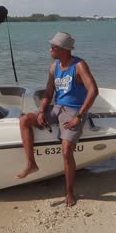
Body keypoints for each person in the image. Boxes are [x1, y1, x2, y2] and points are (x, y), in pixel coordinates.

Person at [17, 32, 99, 207]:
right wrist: (41, 111)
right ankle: (31, 164)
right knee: (24, 120)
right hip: (56, 108)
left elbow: (93, 91)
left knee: (66, 150)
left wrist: (79, 116)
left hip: (74, 111)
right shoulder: (54, 67)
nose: (50, 50)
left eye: (53, 47)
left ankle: (69, 191)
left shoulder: (79, 65)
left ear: (64, 50)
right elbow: (48, 93)